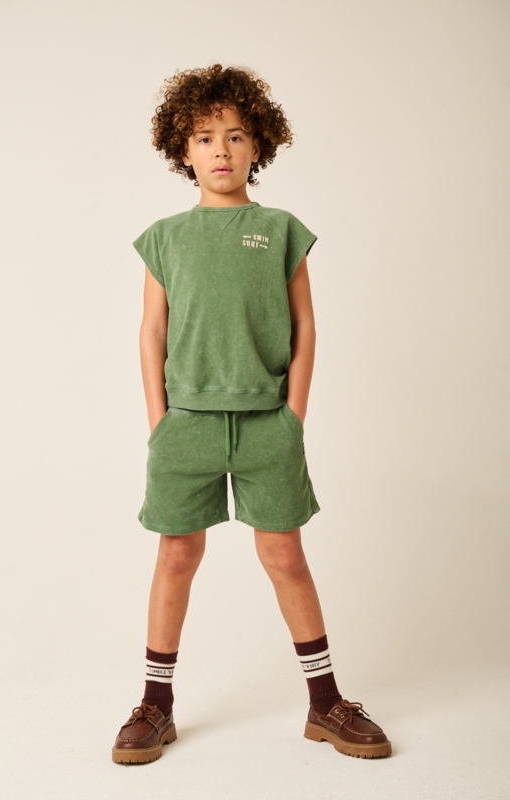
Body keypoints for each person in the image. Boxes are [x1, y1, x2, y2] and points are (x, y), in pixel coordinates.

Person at [112, 63, 392, 764]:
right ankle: (155, 704)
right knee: (177, 554)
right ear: (182, 151)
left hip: (268, 424)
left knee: (284, 554)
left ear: (257, 145)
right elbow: (151, 330)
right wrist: (159, 421)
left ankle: (326, 702)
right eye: (205, 138)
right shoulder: (164, 238)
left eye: (235, 136)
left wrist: (293, 415)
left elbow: (305, 326)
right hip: (186, 426)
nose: (221, 150)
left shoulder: (281, 230)